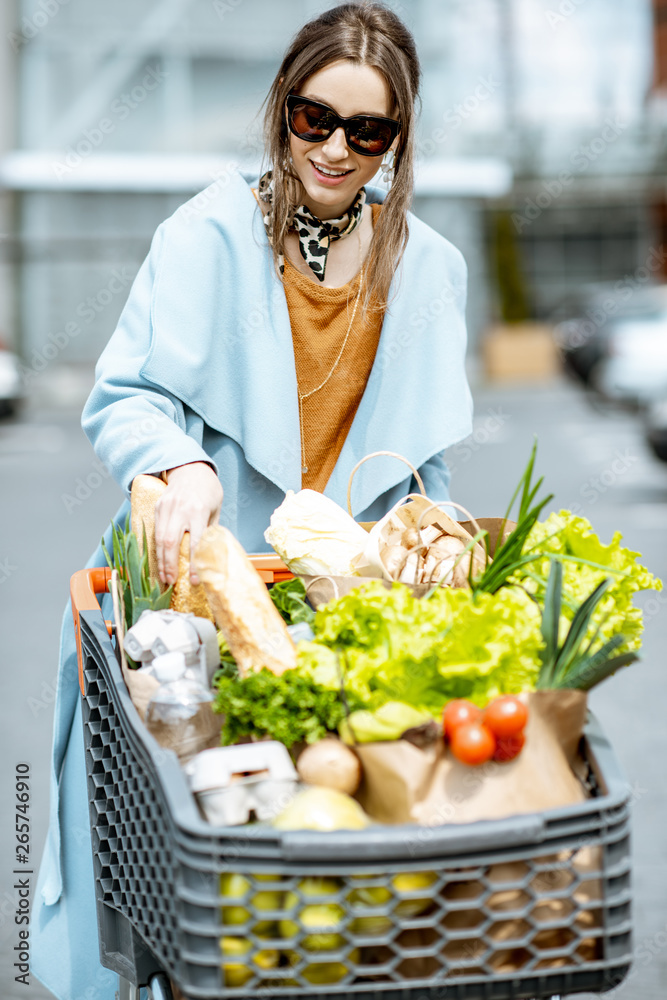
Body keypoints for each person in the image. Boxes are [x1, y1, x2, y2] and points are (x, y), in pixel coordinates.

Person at [32, 3, 473, 997]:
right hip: (203, 595)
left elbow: (423, 467)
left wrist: (435, 544)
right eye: (316, 118)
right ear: (283, 106)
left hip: (344, 608)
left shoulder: (431, 269)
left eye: (369, 132)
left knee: (347, 889)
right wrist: (180, 462)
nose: (335, 149)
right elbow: (128, 396)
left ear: (397, 140)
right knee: (206, 892)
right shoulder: (207, 233)